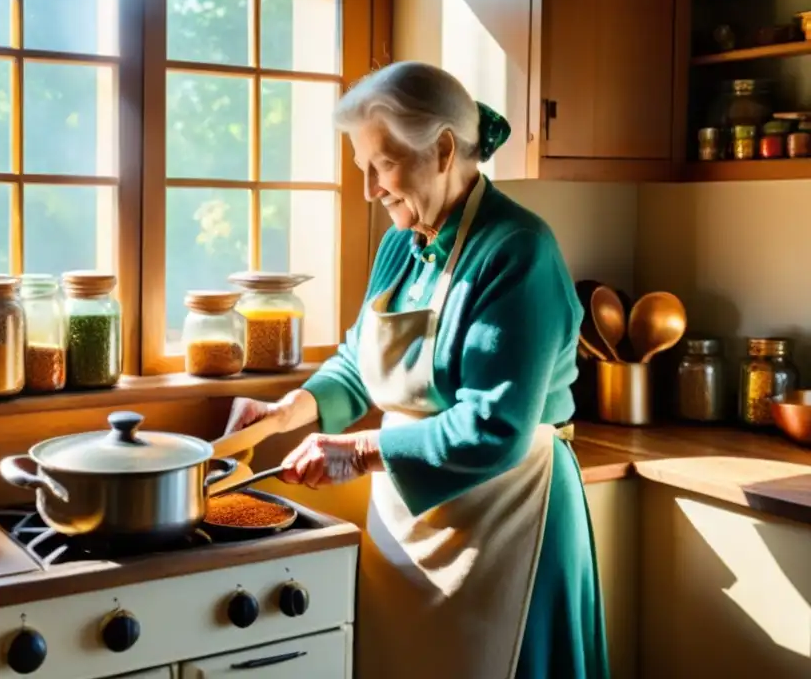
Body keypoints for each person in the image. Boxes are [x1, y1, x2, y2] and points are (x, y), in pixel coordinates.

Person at [223, 61, 609, 678]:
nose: (371, 190)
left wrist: (357, 450)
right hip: (408, 525)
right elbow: (358, 361)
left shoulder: (518, 250)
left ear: (443, 149)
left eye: (382, 166)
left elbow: (494, 426)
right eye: (363, 170)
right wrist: (288, 411)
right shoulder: (400, 245)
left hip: (510, 516)